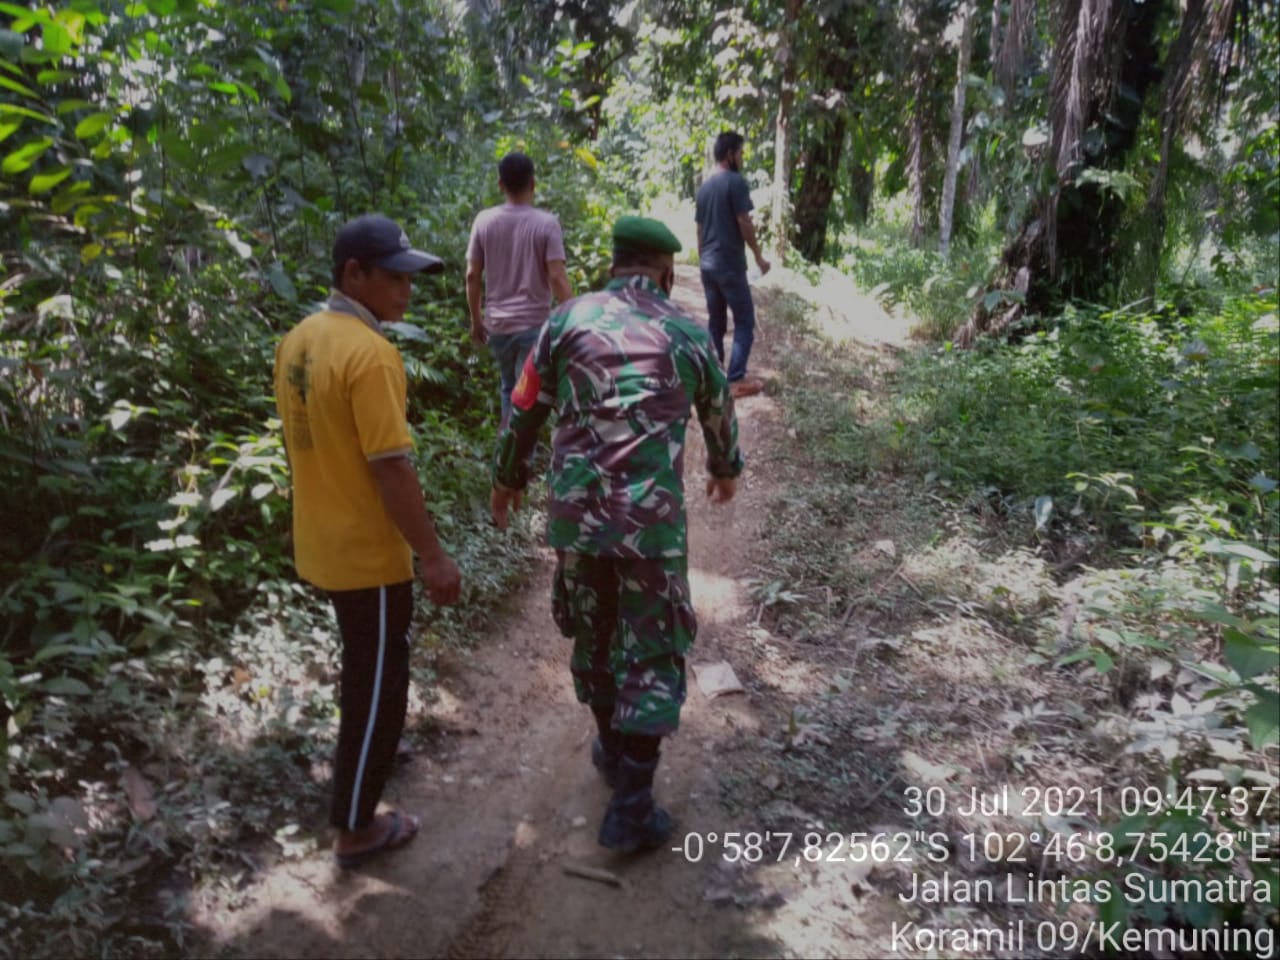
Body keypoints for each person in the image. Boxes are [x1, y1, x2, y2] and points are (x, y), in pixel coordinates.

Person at [489, 215, 744, 853]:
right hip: (650, 525)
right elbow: (719, 409)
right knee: (651, 649)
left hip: (577, 519)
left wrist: (508, 476)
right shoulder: (686, 332)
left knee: (595, 634)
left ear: (612, 263)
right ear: (665, 271)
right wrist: (724, 469)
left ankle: (610, 744)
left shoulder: (564, 322)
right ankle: (631, 805)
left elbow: (525, 404)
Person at [274, 214, 463, 870]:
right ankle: (355, 827)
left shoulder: (299, 340)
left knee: (364, 668)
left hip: (320, 543)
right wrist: (432, 555)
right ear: (353, 274)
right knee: (378, 684)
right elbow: (391, 467)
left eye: (410, 278)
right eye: (394, 277)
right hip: (368, 558)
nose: (406, 291)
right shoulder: (371, 354)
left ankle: (369, 757)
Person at [467, 151, 574, 427]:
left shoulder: (483, 221)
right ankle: (519, 449)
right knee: (528, 395)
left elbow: (472, 275)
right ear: (533, 184)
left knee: (509, 388)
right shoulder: (546, 223)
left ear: (500, 184)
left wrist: (476, 320)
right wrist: (575, 318)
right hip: (533, 326)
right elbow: (557, 277)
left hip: (497, 326)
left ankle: (509, 445)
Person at [695, 130, 772, 399]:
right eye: (740, 153)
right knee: (744, 320)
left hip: (708, 264)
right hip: (729, 263)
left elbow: (700, 230)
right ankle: (736, 378)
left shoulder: (704, 188)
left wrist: (702, 260)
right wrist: (759, 256)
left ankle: (715, 377)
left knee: (716, 323)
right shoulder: (735, 182)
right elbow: (744, 221)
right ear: (730, 155)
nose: (742, 158)